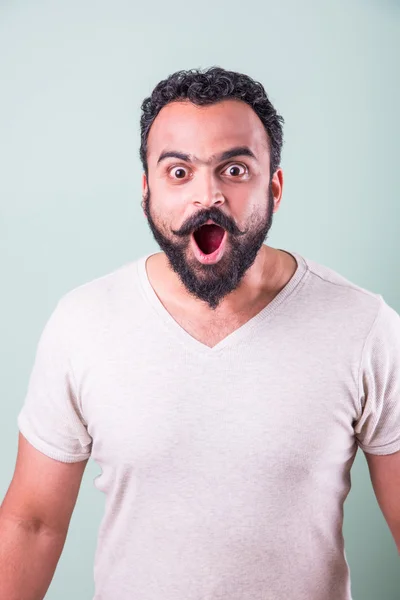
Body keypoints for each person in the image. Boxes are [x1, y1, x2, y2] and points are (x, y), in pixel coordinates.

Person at [1, 66, 399, 600]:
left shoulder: (363, 325)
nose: (207, 196)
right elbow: (31, 523)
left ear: (274, 187)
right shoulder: (83, 323)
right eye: (179, 172)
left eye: (234, 169)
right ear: (146, 191)